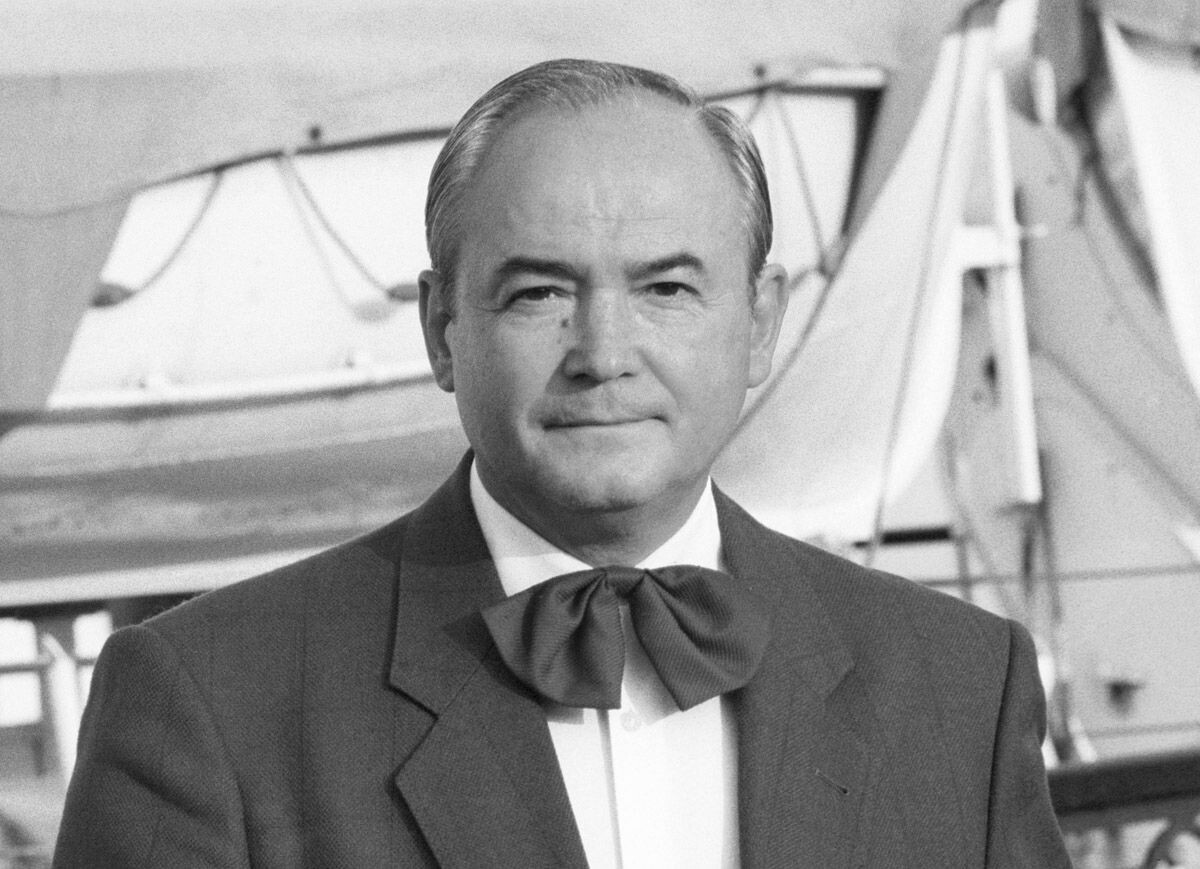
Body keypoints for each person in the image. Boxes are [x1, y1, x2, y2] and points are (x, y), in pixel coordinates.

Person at [54, 59, 1071, 868]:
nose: (604, 352)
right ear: (442, 329)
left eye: (667, 289)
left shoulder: (959, 687)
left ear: (760, 322)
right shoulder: (214, 702)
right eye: (539, 292)